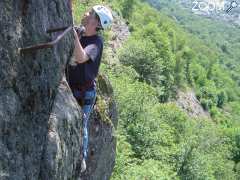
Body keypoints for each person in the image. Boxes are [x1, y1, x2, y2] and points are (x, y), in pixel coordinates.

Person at [66, 5, 113, 173]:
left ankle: (82, 159)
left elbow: (80, 58)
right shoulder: (81, 32)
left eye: (91, 13)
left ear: (96, 23)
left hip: (85, 92)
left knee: (82, 124)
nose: (87, 13)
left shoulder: (96, 43)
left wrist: (74, 36)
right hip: (73, 87)